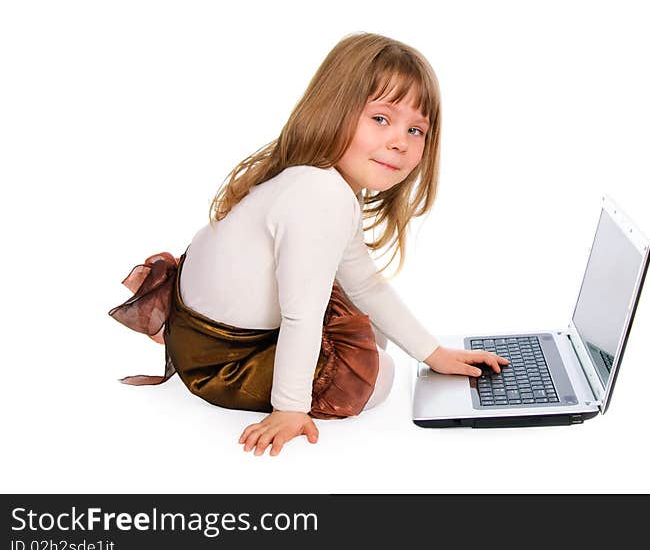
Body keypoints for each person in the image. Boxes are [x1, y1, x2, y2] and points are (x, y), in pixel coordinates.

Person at [108, 32, 509, 456]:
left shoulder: (321, 183)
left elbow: (365, 284)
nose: (400, 142)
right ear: (334, 110)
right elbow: (303, 312)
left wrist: (434, 353)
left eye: (416, 130)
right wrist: (290, 408)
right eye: (380, 119)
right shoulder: (321, 194)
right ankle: (300, 382)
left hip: (203, 333)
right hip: (222, 362)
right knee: (381, 374)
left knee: (365, 320)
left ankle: (338, 359)